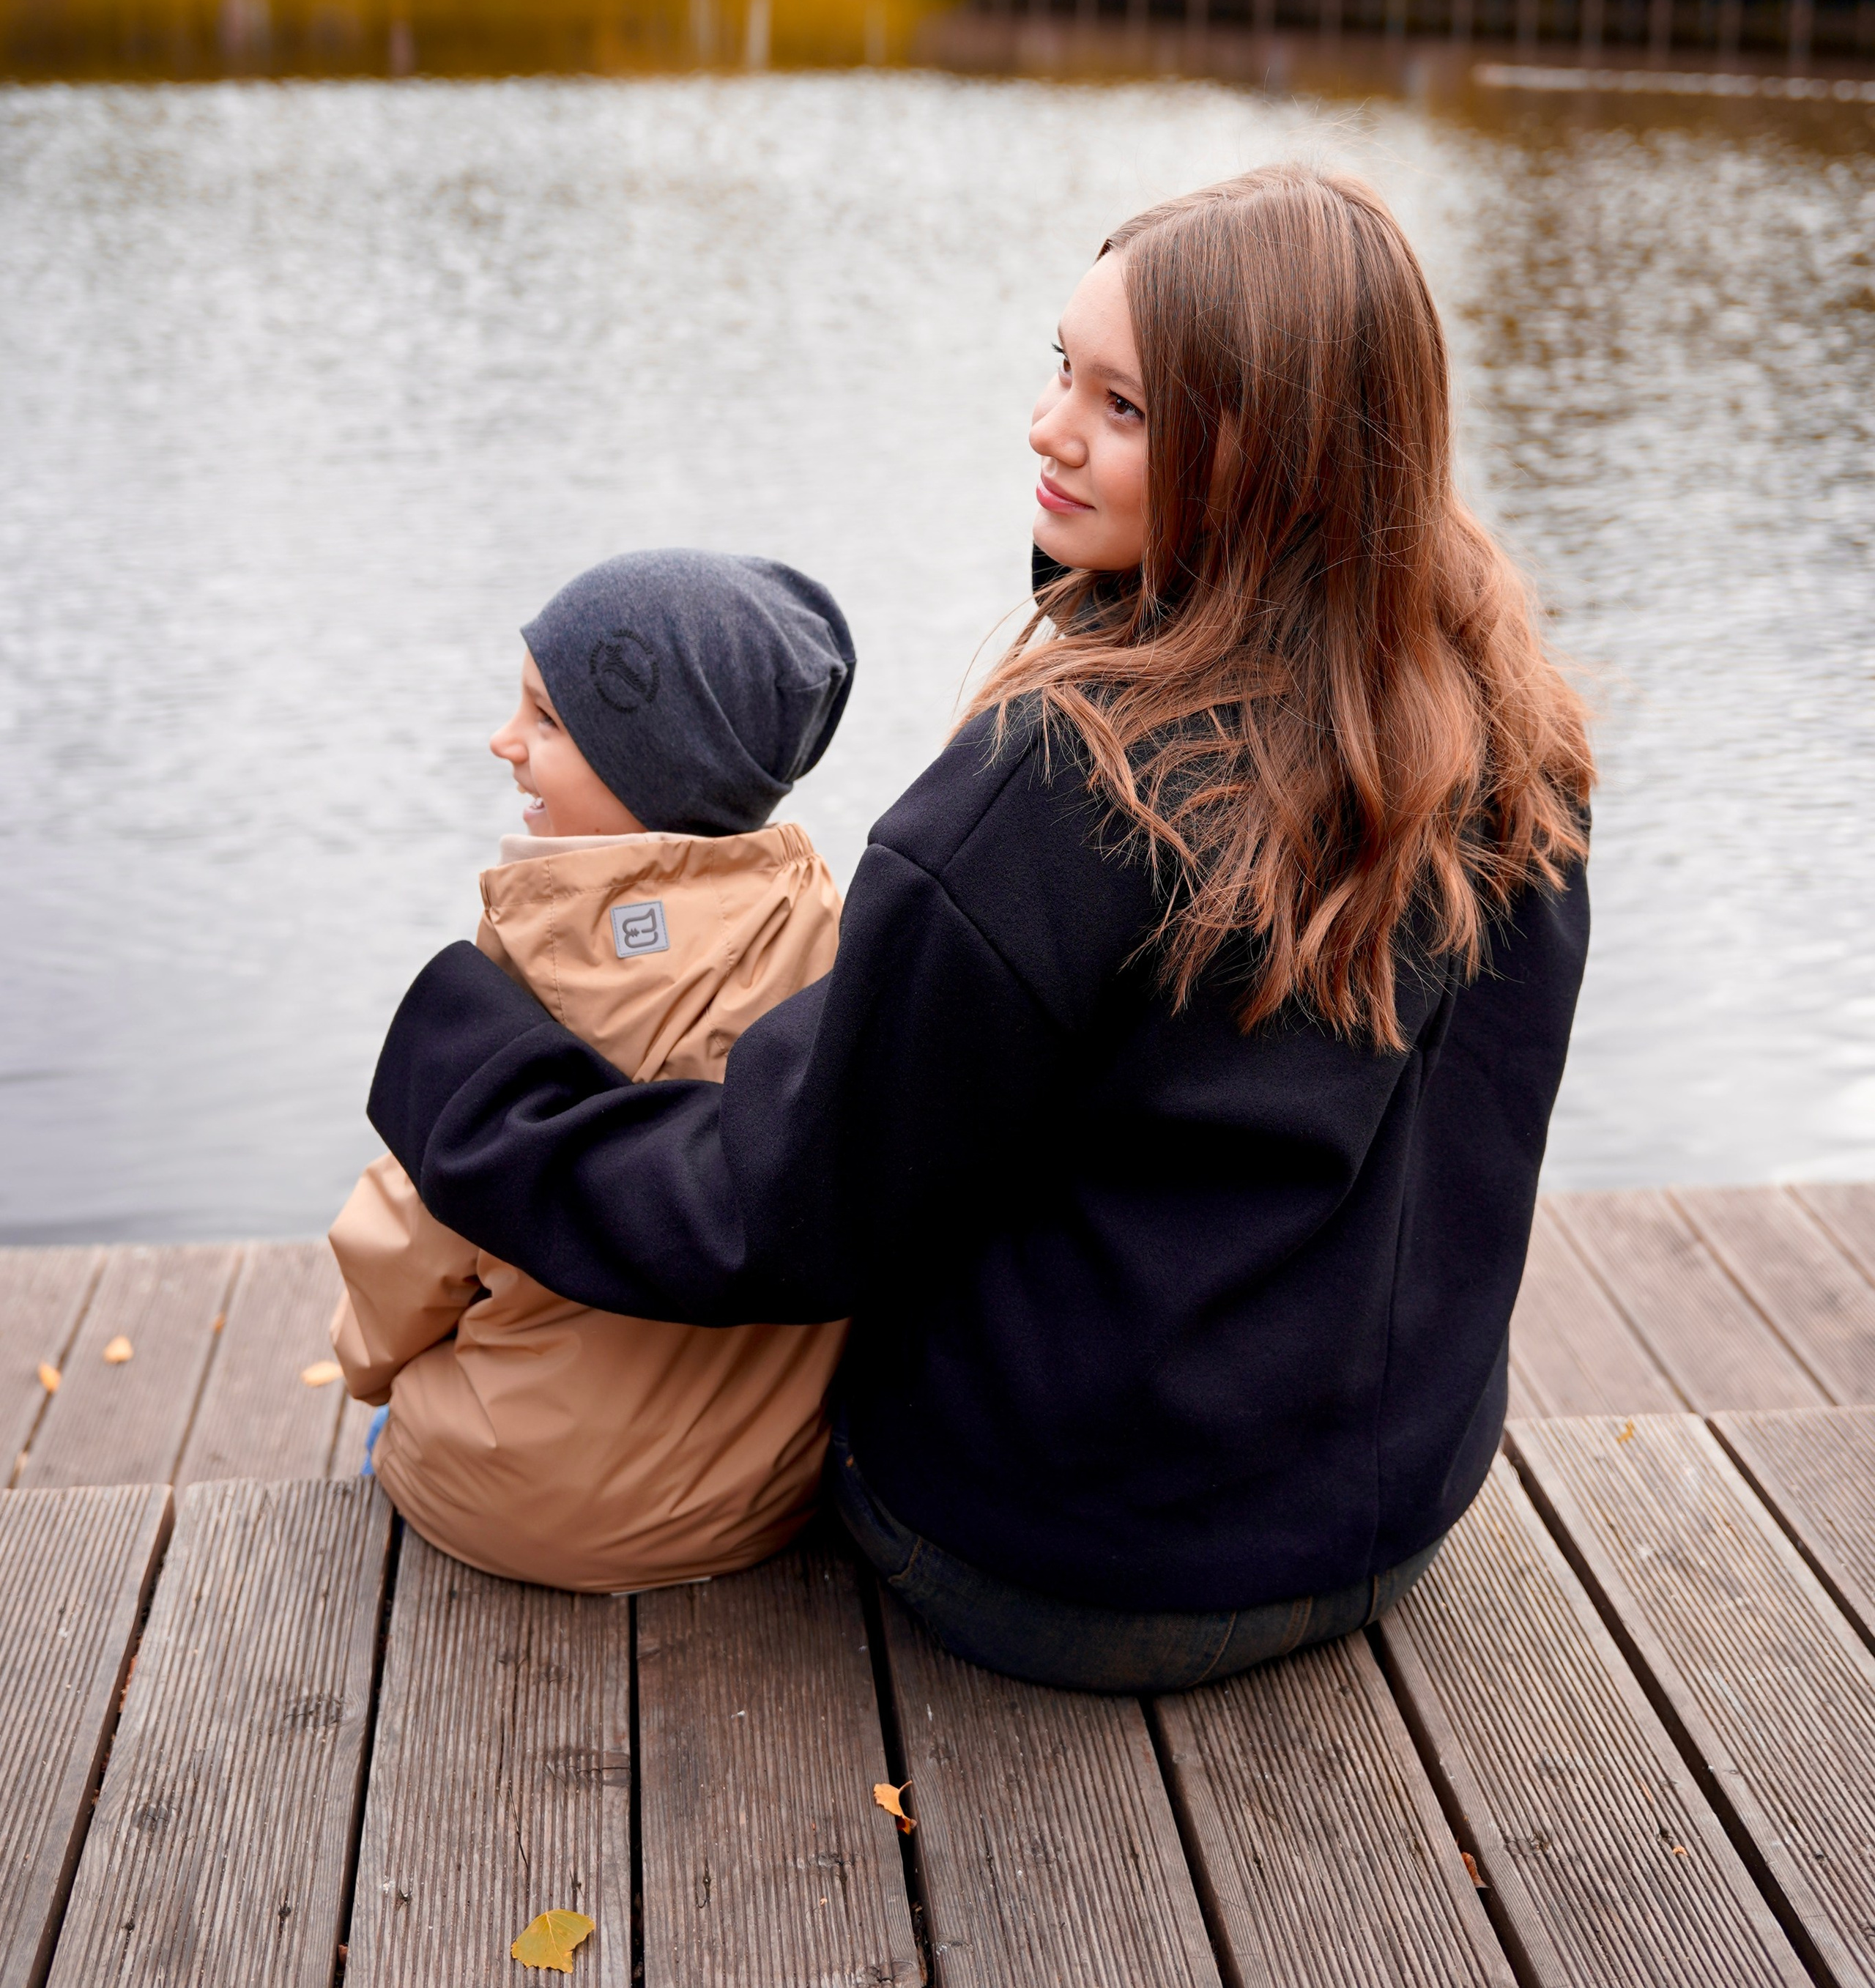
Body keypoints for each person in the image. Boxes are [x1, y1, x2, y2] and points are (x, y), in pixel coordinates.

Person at [365, 168, 1592, 1690]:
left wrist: (477, 1078)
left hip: (1056, 1563)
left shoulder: (1070, 786)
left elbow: (776, 1208)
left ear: (1275, 454)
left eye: (1123, 407)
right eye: (1061, 368)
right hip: (1386, 1518)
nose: (1047, 426)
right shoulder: (1509, 733)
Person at [328, 548, 856, 1592]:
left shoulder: (532, 971)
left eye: (548, 721)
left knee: (392, 1416)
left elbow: (409, 1251)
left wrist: (366, 1366)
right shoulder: (842, 945)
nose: (505, 741)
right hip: (760, 1501)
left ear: (653, 766)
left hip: (506, 1501)